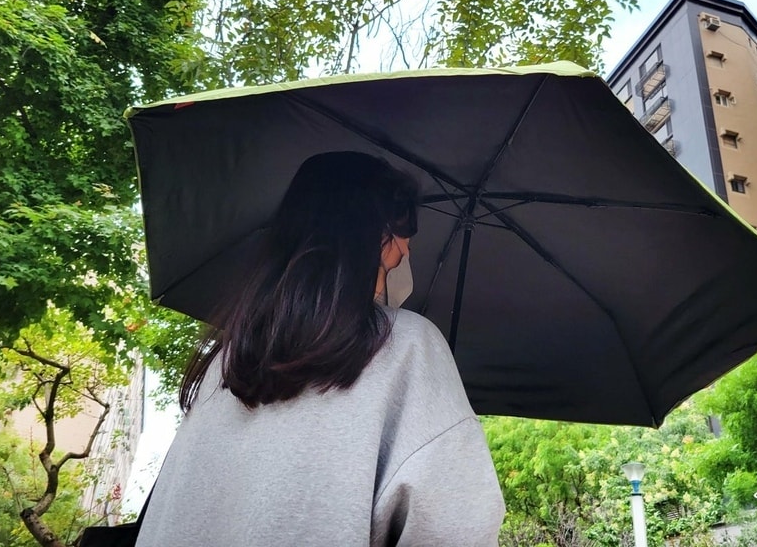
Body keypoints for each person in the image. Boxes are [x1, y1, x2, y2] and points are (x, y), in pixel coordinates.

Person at [136, 151, 505, 546]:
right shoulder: (409, 348)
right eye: (402, 238)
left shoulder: (225, 362)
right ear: (371, 237)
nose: (406, 254)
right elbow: (458, 527)